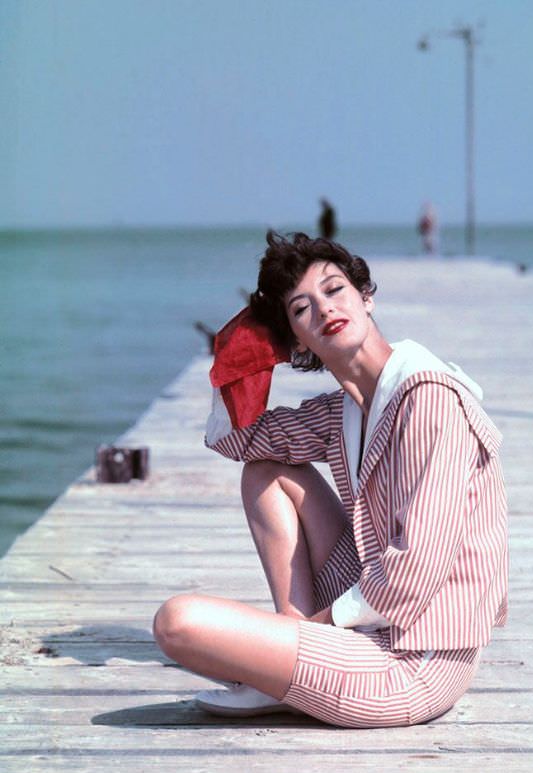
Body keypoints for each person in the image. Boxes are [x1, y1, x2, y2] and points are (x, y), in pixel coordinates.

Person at [153, 231, 508, 728]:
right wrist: (248, 346)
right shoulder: (347, 408)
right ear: (296, 338)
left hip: (412, 664)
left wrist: (323, 626)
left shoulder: (428, 398)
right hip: (371, 619)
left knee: (177, 624)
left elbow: (416, 573)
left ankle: (293, 655)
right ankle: (291, 653)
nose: (324, 310)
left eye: (334, 289)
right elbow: (240, 443)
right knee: (268, 472)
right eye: (302, 308)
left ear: (366, 297)